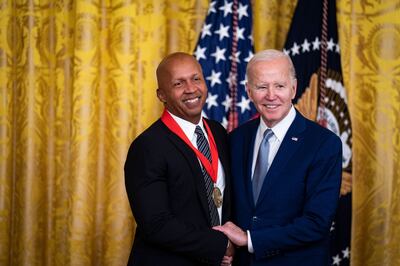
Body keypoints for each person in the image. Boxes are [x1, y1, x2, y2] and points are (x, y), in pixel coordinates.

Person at [213, 49, 342, 265]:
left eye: (279, 86)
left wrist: (250, 239)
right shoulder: (235, 139)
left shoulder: (323, 144)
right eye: (261, 87)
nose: (271, 95)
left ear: (293, 88)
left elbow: (316, 223)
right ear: (248, 91)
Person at [124, 52, 234, 266]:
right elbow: (156, 224)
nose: (191, 89)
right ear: (161, 95)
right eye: (178, 83)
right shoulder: (147, 147)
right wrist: (219, 245)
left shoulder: (218, 132)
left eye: (196, 79)